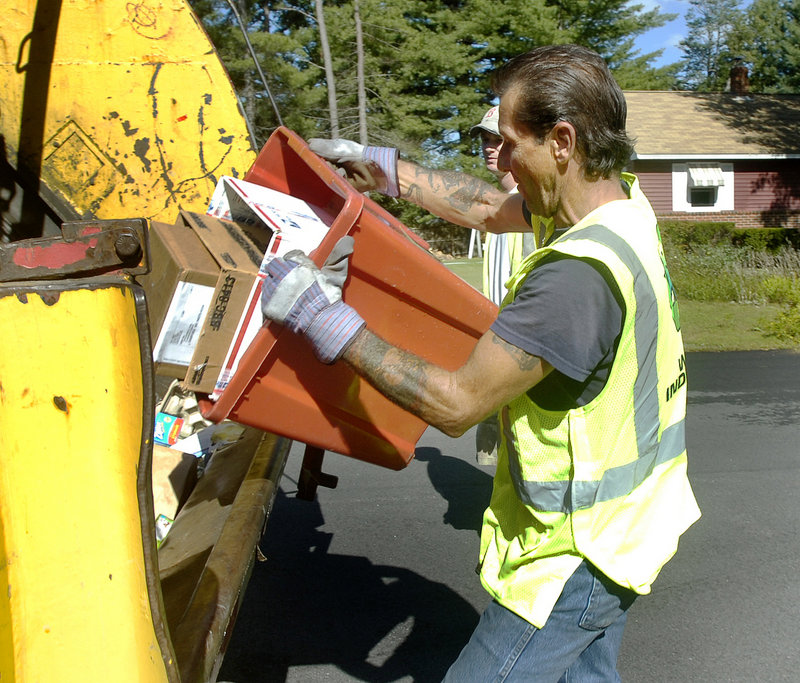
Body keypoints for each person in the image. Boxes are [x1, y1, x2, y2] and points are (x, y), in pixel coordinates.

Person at [263, 44, 701, 681]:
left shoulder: (576, 279)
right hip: (629, 522)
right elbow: (488, 210)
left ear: (561, 140)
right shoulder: (616, 207)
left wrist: (323, 318)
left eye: (508, 145)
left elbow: (456, 403)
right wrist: (383, 170)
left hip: (575, 552)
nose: (500, 165)